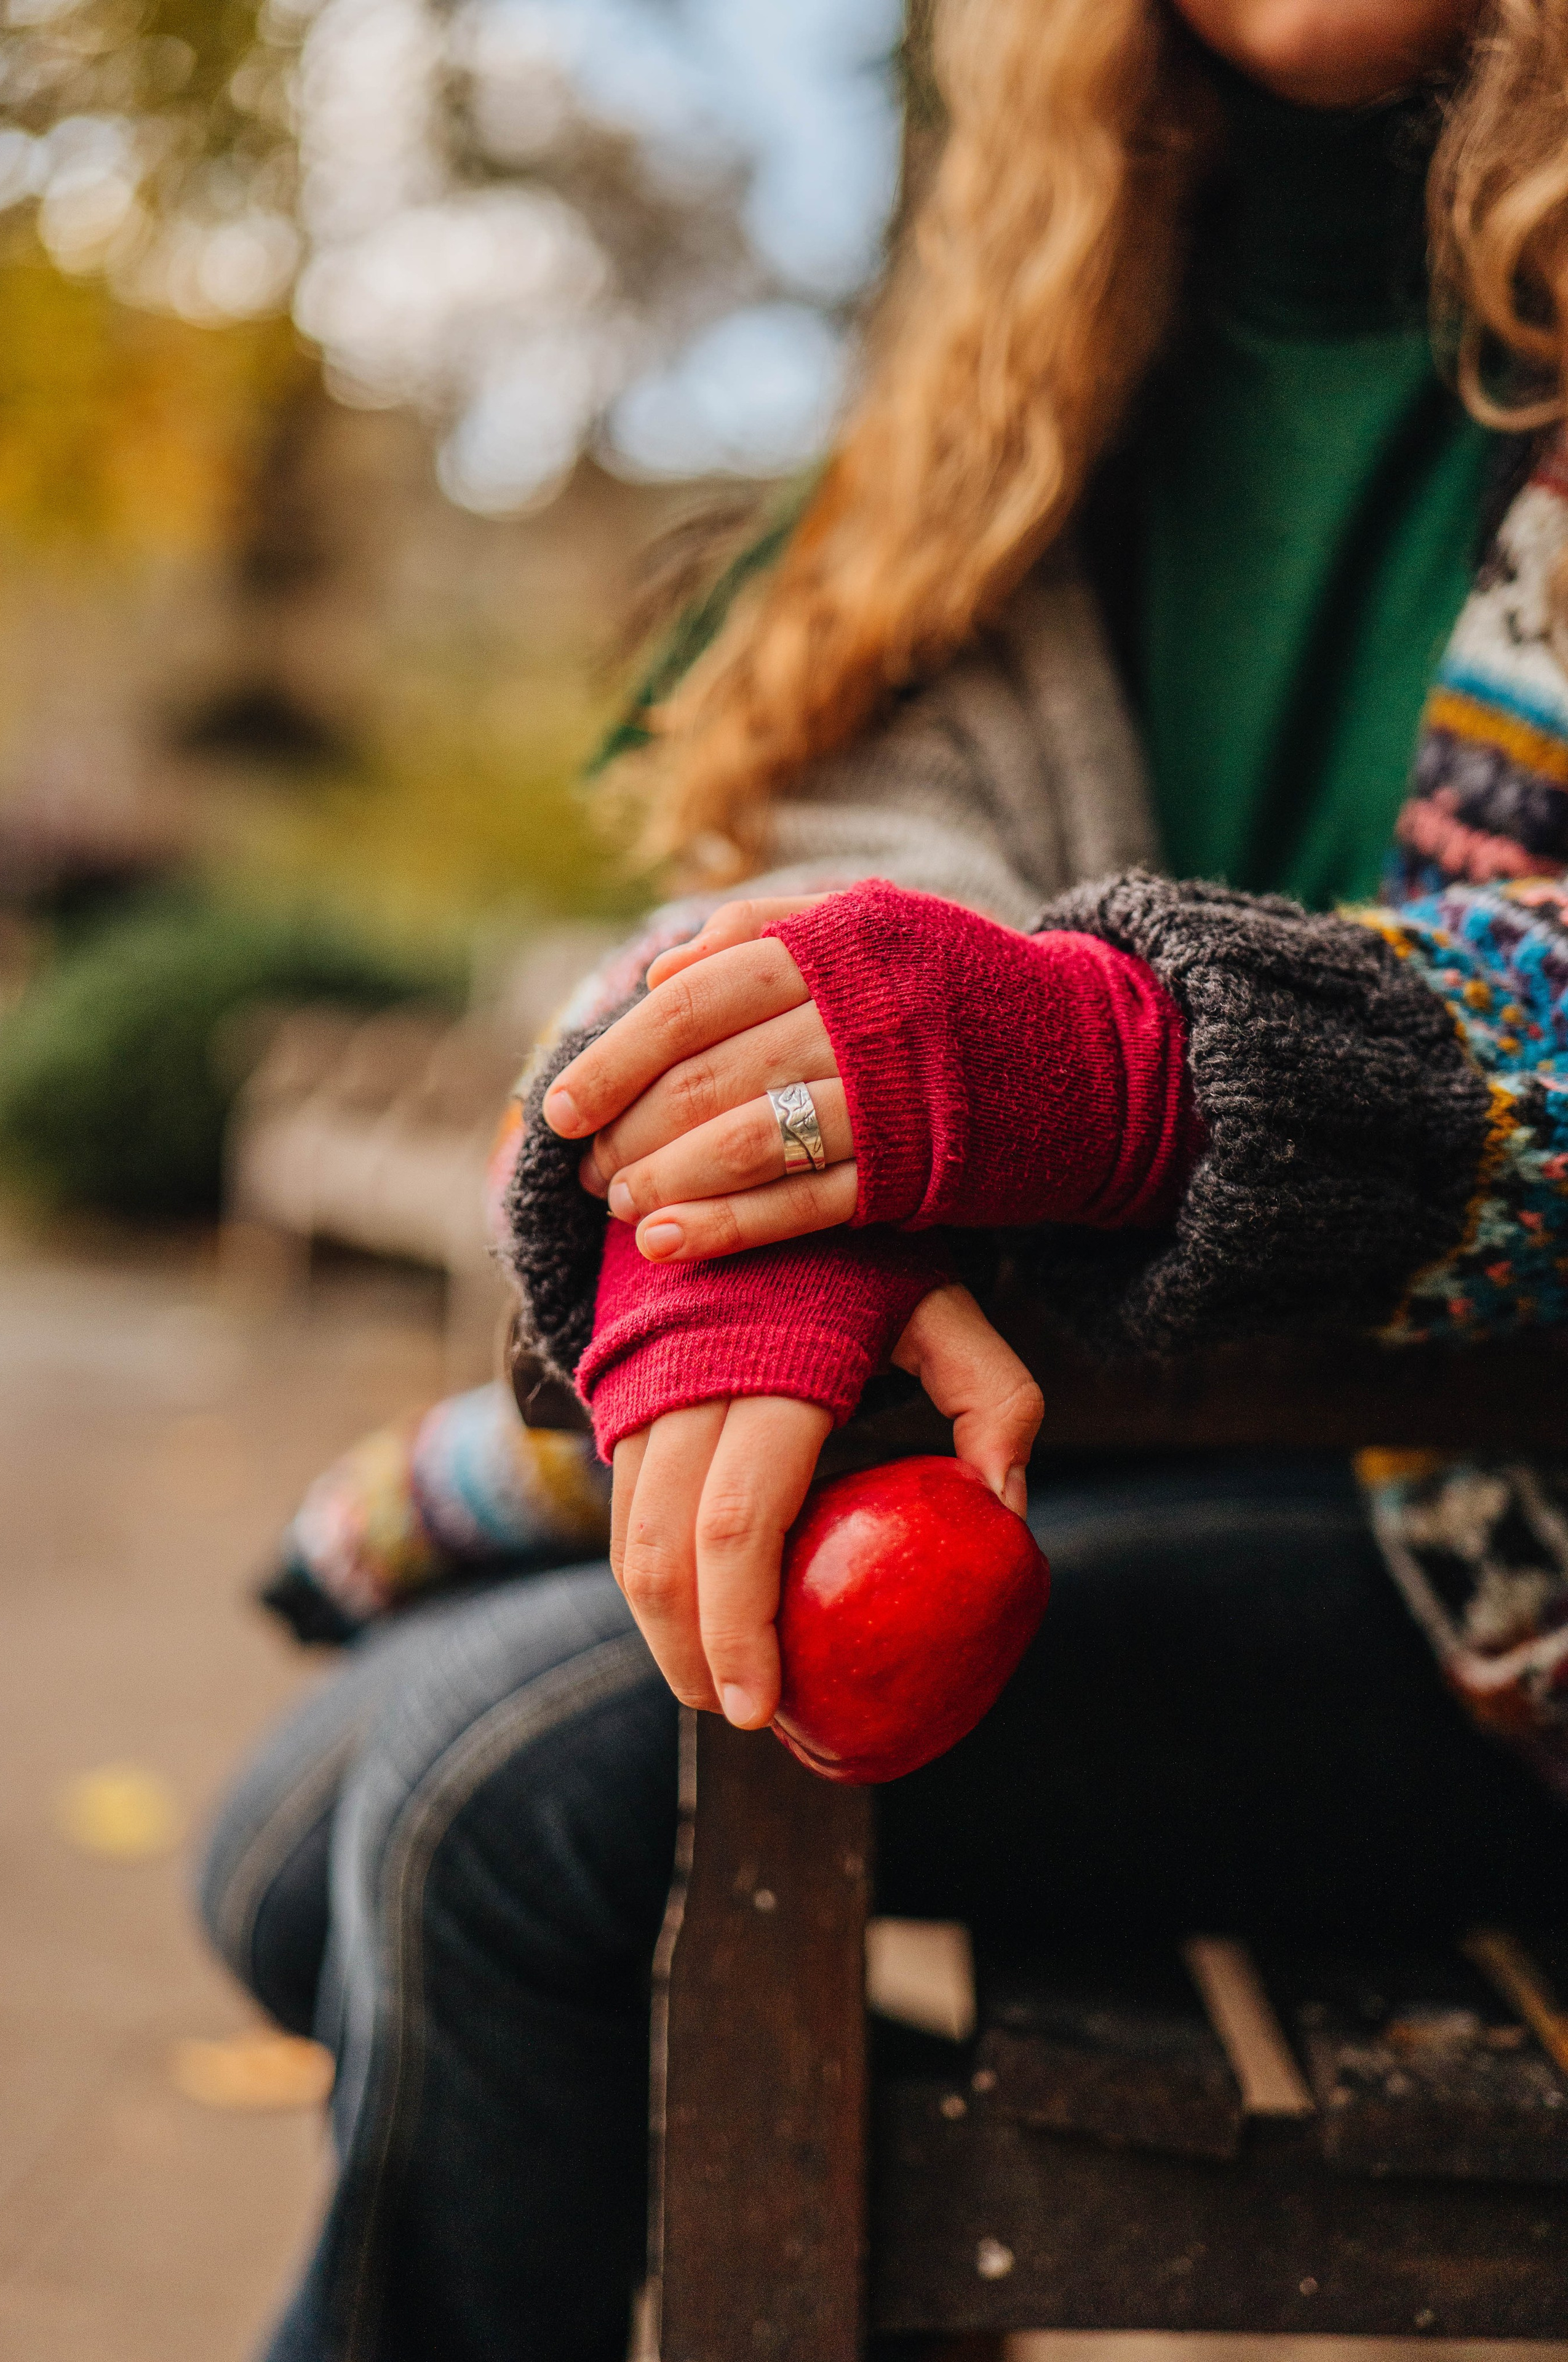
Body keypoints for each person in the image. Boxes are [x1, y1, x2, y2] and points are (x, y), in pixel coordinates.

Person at [202, 2, 1568, 2355]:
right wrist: (751, 1178)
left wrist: (1121, 1065)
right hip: (1140, 1474)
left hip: (1504, 1575)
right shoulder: (1043, 358)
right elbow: (801, 888)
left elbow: (1046, 1039)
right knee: (289, 1849)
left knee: (473, 1820)